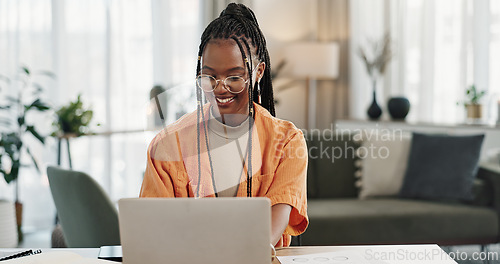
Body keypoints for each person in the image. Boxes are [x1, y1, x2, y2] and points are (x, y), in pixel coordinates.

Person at [140, 3, 308, 248]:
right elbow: (152, 229)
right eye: (209, 76)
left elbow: (272, 228)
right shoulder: (166, 144)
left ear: (258, 71)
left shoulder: (288, 142)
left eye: (234, 77)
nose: (220, 88)